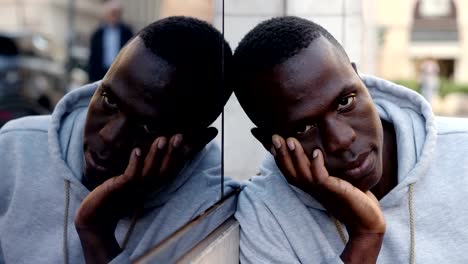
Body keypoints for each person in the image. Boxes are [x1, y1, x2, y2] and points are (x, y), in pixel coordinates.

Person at [0, 16, 237, 263]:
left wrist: (96, 233)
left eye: (146, 126)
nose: (109, 136)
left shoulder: (209, 209)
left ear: (193, 143)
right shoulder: (16, 147)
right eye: (109, 101)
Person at [233, 16, 468, 263]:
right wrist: (365, 237)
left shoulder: (462, 154)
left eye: (345, 102)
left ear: (359, 79)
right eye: (304, 128)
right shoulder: (267, 214)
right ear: (270, 143)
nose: (341, 140)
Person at [88, 0, 133, 82]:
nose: (114, 16)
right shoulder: (98, 34)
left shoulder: (127, 32)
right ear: (106, 14)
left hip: (120, 73)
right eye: (112, 13)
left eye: (117, 13)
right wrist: (91, 78)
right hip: (101, 73)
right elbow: (93, 58)